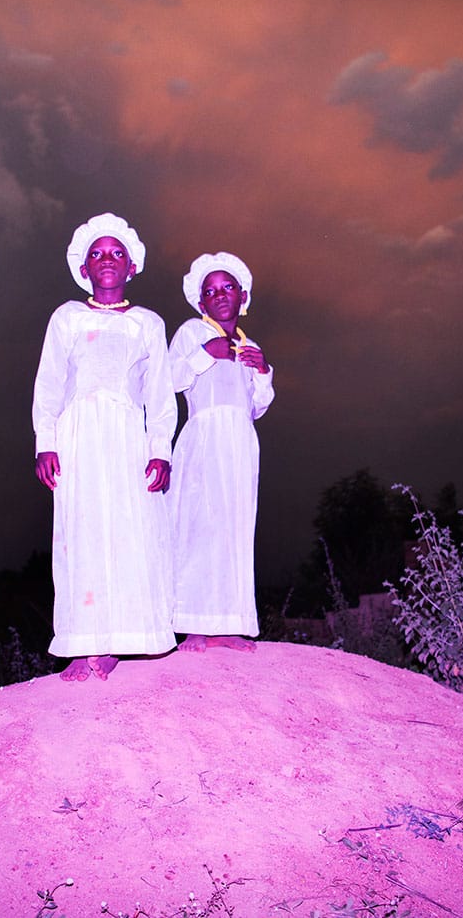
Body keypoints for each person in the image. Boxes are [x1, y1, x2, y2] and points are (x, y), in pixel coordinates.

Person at [32, 213, 177, 681]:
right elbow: (49, 385)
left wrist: (160, 449)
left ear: (132, 265)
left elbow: (159, 395)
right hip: (78, 439)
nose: (107, 260)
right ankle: (82, 642)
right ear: (84, 267)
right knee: (81, 534)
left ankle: (121, 640)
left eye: (117, 253)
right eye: (98, 253)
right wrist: (45, 442)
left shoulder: (147, 324)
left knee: (129, 532)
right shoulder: (67, 318)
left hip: (127, 438)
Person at [168, 252, 273, 652]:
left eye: (227, 287)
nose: (220, 295)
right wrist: (203, 354)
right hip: (204, 437)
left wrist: (262, 370)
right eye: (210, 291)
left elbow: (258, 405)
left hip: (240, 443)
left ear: (242, 295)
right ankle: (194, 623)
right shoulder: (192, 333)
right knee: (200, 525)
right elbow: (172, 378)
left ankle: (228, 623)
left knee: (233, 527)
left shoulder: (250, 345)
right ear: (200, 302)